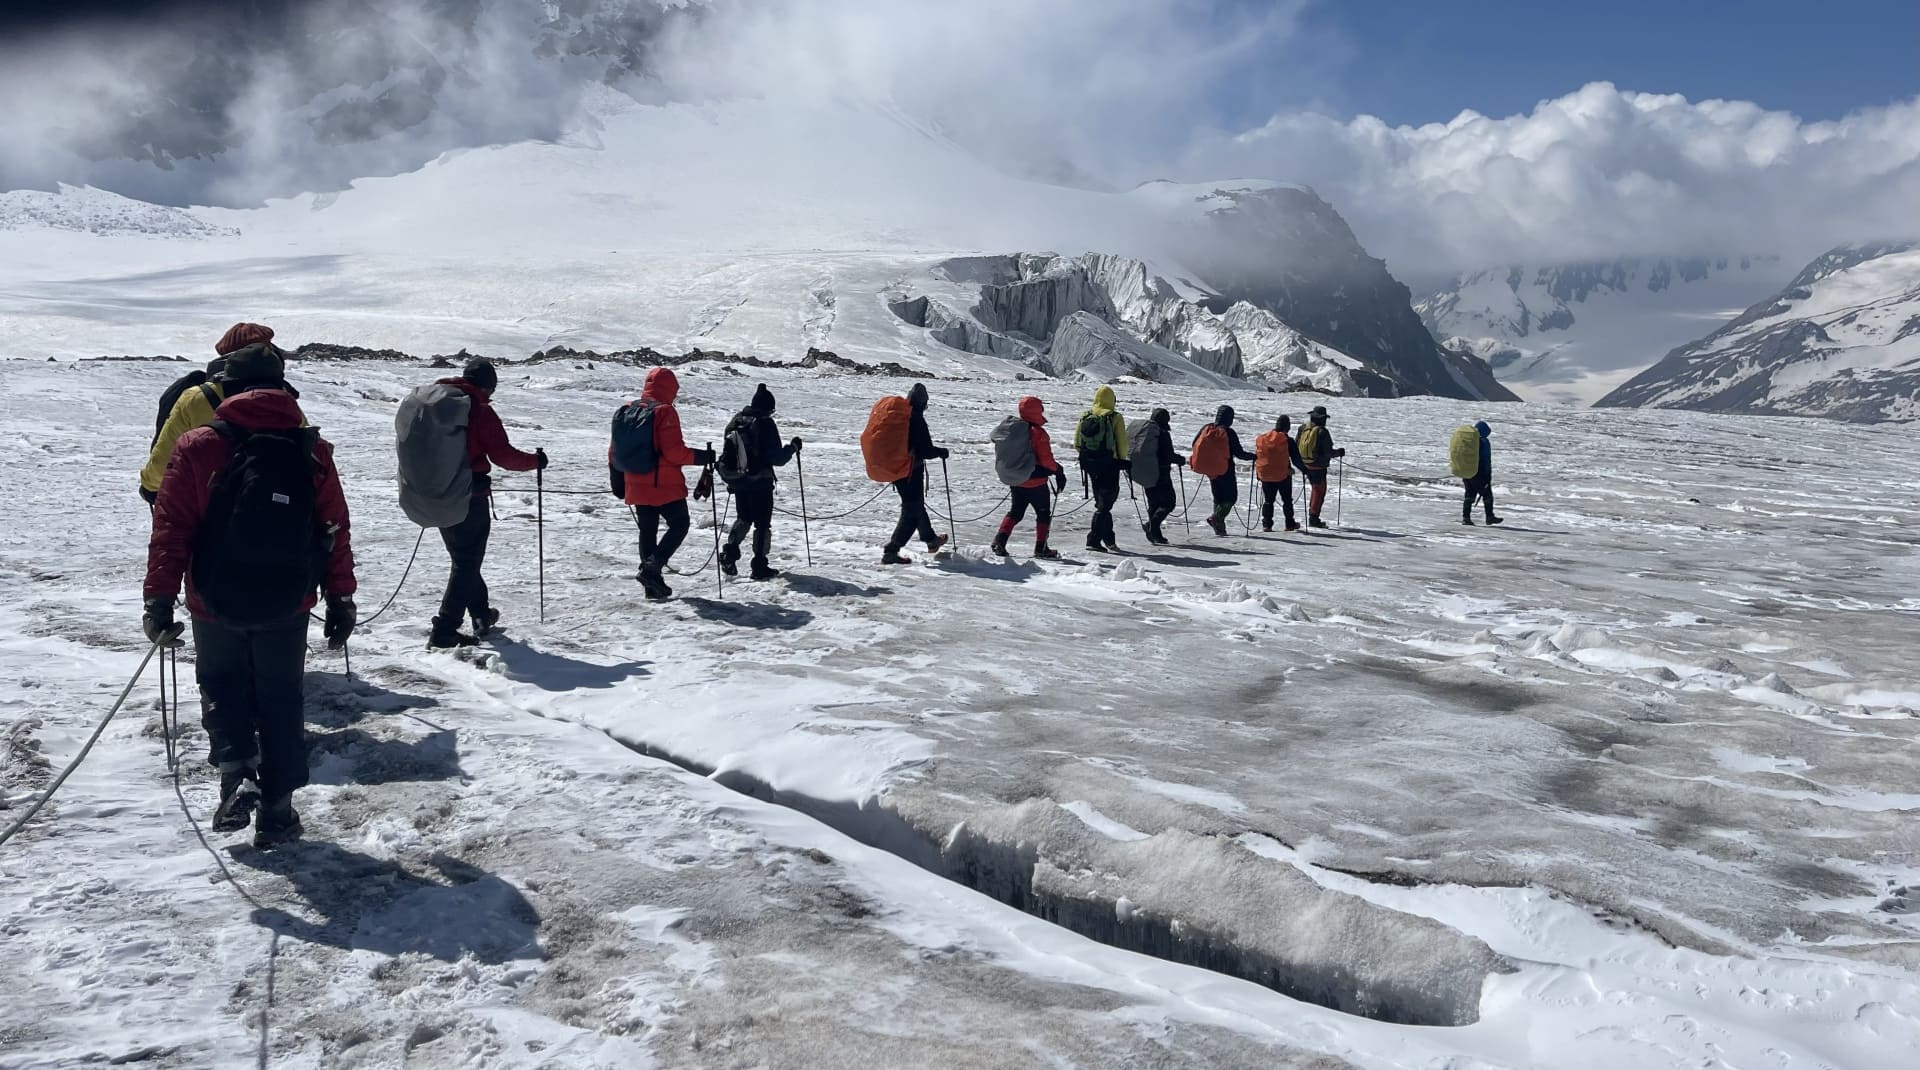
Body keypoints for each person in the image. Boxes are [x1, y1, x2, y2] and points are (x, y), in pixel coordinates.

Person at [142, 370, 357, 849]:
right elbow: (334, 526)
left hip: (213, 599)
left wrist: (158, 598)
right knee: (281, 697)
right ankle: (278, 811)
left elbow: (171, 528)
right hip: (289, 599)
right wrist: (340, 596)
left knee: (221, 684)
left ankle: (236, 771)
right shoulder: (312, 450)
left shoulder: (198, 445)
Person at [427, 359, 546, 648]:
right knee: (467, 562)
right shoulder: (479, 410)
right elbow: (503, 456)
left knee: (464, 560)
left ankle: (480, 614)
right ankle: (445, 628)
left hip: (437, 493)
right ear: (487, 385)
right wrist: (536, 461)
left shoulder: (435, 405)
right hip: (470, 497)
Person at [140, 323, 281, 504]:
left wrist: (150, 487)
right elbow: (312, 457)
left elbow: (164, 463)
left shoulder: (196, 398)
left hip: (208, 514)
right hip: (278, 513)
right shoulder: (282, 398)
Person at [615, 368, 713, 600]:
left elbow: (614, 451)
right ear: (670, 388)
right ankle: (651, 569)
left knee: (647, 531)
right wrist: (703, 457)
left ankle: (652, 586)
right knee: (680, 524)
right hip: (662, 484)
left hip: (635, 481)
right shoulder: (665, 412)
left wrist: (617, 479)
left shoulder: (628, 409)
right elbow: (674, 452)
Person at [718, 383, 801, 580]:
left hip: (738, 481)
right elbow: (777, 458)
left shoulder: (736, 420)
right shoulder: (764, 423)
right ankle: (759, 566)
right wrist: (793, 448)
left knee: (744, 518)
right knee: (762, 525)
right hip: (760, 483)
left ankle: (729, 553)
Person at [882, 382, 950, 564]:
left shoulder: (901, 417)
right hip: (911, 470)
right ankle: (891, 551)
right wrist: (941, 452)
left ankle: (931, 540)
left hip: (897, 468)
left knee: (915, 506)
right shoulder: (916, 419)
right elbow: (925, 450)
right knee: (911, 511)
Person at [991, 396, 1066, 559]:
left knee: (1016, 512)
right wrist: (1059, 471)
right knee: (1043, 513)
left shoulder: (1014, 429)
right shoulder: (1037, 432)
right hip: (1036, 481)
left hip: (1016, 478)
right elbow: (1046, 460)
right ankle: (1041, 548)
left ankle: (1000, 540)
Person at [1073, 385, 1130, 552]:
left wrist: (1090, 456)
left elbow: (1077, 442)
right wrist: (1120, 460)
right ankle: (1093, 540)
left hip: (1090, 465)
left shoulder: (1086, 415)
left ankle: (1109, 539)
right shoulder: (1114, 417)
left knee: (1102, 501)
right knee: (1105, 503)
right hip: (1109, 465)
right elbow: (1122, 442)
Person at [1202, 405, 1256, 536]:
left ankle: (1219, 527)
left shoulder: (1208, 429)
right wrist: (1253, 456)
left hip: (1211, 470)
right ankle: (1216, 518)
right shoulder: (1228, 432)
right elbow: (1239, 453)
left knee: (1218, 497)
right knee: (1230, 498)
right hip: (1226, 469)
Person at [1139, 408, 1185, 545]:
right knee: (1168, 503)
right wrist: (1180, 460)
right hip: (1161, 473)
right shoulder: (1162, 433)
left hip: (1145, 471)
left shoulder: (1145, 431)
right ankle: (1152, 527)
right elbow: (1168, 455)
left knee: (1154, 503)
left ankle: (1155, 533)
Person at [1298, 405, 1347, 528]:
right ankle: (1314, 518)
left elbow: (1296, 444)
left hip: (1305, 464)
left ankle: (1313, 516)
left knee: (1315, 490)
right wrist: (1339, 453)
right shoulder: (1322, 432)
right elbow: (1328, 452)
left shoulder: (1303, 428)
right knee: (1319, 491)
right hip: (1318, 467)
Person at [1255, 414, 1303, 533]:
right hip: (1283, 475)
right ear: (1288, 427)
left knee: (1268, 500)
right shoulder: (1287, 440)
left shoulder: (1263, 438)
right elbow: (1296, 459)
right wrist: (1305, 471)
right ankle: (1289, 524)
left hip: (1266, 475)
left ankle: (1267, 525)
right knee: (1287, 500)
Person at [1463, 419, 1503, 526]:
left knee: (1469, 495)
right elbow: (1485, 459)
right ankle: (1489, 517)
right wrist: (1487, 475)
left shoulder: (1470, 442)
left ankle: (1466, 518)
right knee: (1487, 495)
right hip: (1480, 473)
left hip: (1468, 472)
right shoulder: (1484, 442)